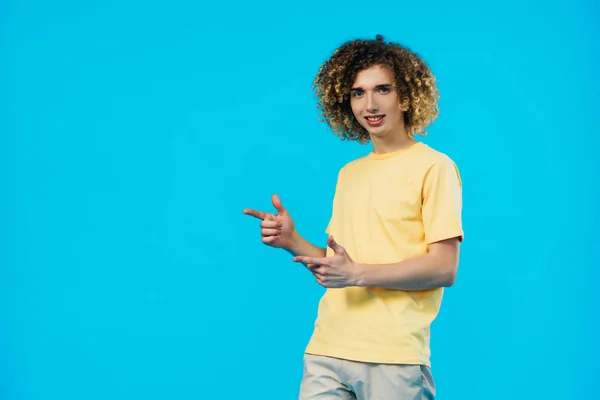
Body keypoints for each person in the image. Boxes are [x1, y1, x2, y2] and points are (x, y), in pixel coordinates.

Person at [243, 34, 463, 399]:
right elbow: (338, 266)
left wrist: (357, 274)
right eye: (358, 92)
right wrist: (291, 241)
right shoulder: (350, 173)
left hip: (392, 357)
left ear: (406, 94)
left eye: (383, 89)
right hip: (327, 349)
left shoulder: (434, 167)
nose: (370, 104)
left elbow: (444, 268)